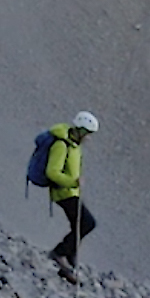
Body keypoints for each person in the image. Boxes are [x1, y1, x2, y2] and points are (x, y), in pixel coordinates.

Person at [46, 110, 99, 283]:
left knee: (79, 226)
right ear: (81, 131)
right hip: (64, 192)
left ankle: (68, 264)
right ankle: (60, 253)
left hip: (71, 192)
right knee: (87, 223)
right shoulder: (62, 145)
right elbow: (52, 172)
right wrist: (73, 182)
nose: (89, 138)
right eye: (88, 134)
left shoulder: (74, 146)